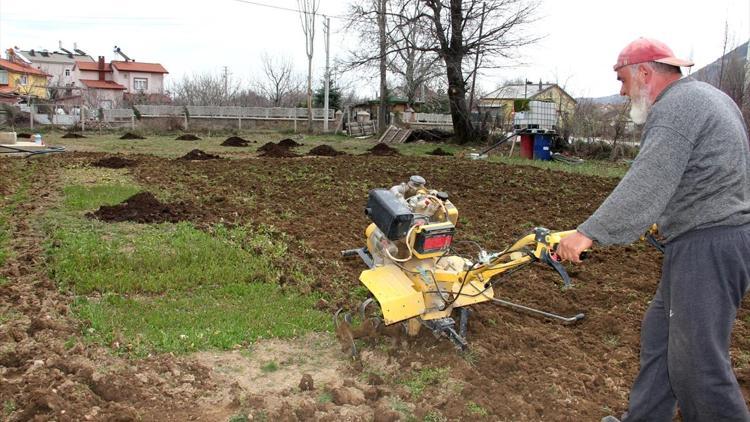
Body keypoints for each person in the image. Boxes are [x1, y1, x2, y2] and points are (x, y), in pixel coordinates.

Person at [557, 38, 750, 422]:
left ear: (645, 72)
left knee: (698, 365)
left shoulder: (676, 107)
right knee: (660, 337)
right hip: (713, 239)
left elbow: (647, 180)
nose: (622, 90)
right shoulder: (710, 98)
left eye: (622, 79)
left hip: (707, 245)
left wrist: (587, 232)